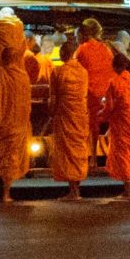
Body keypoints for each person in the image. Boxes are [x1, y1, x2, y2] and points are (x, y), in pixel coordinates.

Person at [0, 47, 31, 202]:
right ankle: (6, 193)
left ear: (3, 58)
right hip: (16, 124)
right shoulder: (23, 77)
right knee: (12, 158)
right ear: (17, 59)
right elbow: (26, 104)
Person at [101, 53, 130, 199]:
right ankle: (128, 187)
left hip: (120, 123)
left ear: (114, 67)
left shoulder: (113, 82)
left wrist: (99, 117)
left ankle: (127, 190)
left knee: (122, 154)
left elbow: (109, 107)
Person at [49, 42, 89, 200]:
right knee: (78, 149)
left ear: (63, 54)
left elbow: (53, 98)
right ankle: (75, 189)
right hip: (80, 115)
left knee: (67, 151)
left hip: (65, 115)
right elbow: (84, 94)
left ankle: (73, 191)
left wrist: (51, 113)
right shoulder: (83, 72)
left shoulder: (58, 71)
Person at [74, 18, 116, 167]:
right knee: (110, 124)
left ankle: (90, 157)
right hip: (107, 93)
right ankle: (107, 156)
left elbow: (75, 70)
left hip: (89, 93)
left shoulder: (82, 49)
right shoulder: (106, 48)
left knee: (91, 127)